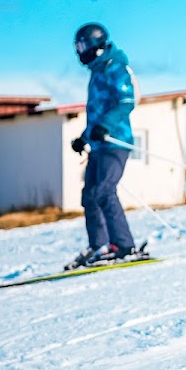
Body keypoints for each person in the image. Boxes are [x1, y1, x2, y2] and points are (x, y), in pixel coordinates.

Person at [65, 23, 144, 270]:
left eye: (83, 46)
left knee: (104, 190)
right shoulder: (96, 72)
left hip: (115, 141)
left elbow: (126, 102)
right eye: (77, 47)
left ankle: (124, 245)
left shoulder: (115, 67)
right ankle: (99, 246)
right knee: (89, 195)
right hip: (98, 145)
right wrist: (84, 138)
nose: (80, 52)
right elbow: (96, 113)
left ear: (96, 45)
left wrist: (105, 127)